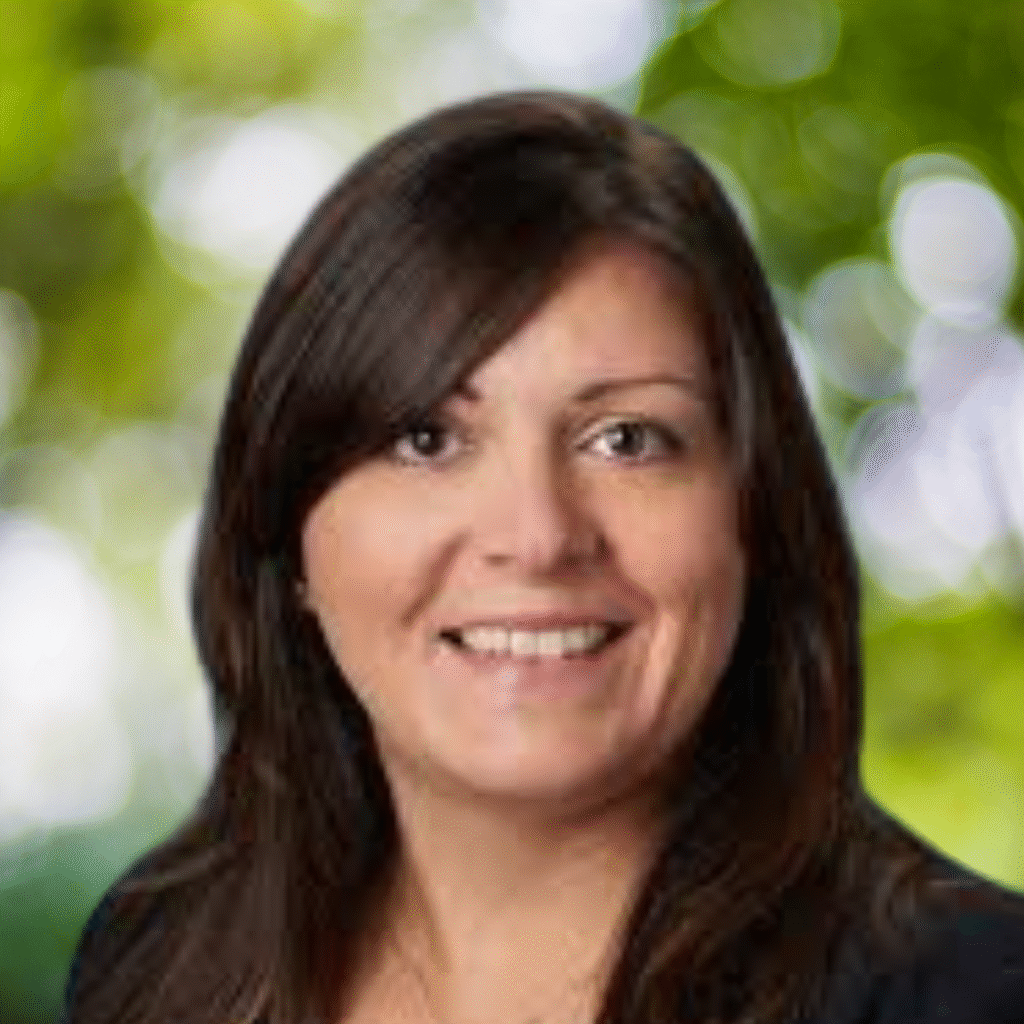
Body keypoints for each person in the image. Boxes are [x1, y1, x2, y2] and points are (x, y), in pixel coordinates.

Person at [62, 90, 1024, 1024]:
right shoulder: (159, 961)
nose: (540, 535)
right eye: (426, 440)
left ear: (756, 516)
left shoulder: (965, 992)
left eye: (628, 440)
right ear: (285, 531)